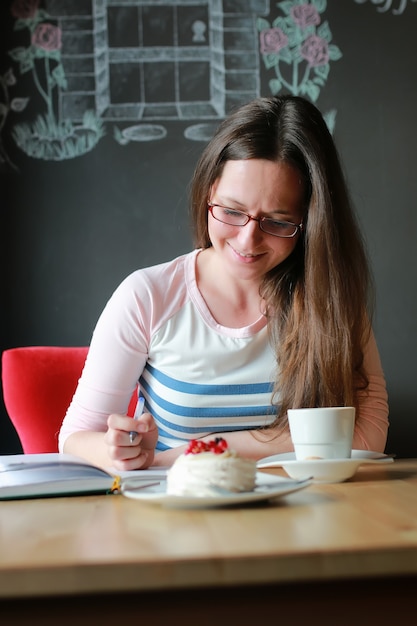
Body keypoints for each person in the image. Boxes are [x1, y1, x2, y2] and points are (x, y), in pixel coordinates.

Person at [59, 95, 389, 471]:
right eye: (232, 212)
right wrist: (118, 452)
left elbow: (369, 433)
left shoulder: (330, 298)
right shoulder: (149, 296)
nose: (247, 241)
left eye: (278, 222)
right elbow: (74, 436)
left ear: (310, 222)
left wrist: (196, 451)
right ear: (209, 192)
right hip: (177, 516)